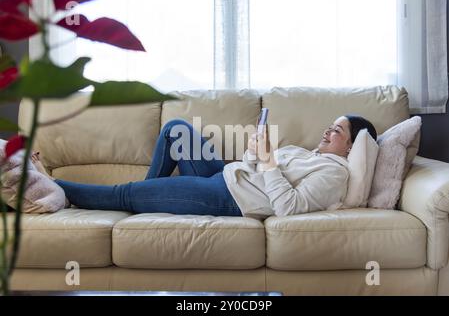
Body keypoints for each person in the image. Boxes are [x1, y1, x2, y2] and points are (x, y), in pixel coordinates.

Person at [30, 115, 377, 218]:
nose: (327, 130)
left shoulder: (335, 173)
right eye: (329, 125)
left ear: (352, 145)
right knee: (175, 130)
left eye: (337, 130)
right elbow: (257, 168)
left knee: (123, 193)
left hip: (227, 198)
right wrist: (257, 152)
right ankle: (146, 200)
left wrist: (268, 160)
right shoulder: (309, 154)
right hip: (225, 175)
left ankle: (44, 186)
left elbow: (288, 206)